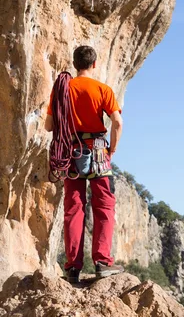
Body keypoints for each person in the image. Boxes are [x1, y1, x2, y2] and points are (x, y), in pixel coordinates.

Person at [45, 46, 124, 284]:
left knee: (74, 208)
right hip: (99, 150)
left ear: (75, 63)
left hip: (71, 152)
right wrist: (112, 149)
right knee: (104, 206)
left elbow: (49, 126)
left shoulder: (62, 90)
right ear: (95, 64)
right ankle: (102, 262)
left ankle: (72, 268)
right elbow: (117, 122)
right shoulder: (103, 89)